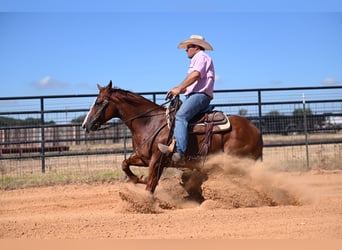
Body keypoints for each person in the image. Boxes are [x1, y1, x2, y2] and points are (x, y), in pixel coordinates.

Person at [158, 34, 215, 162]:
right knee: (175, 115)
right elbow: (192, 82)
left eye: (188, 47)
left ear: (196, 47)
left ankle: (179, 152)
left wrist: (179, 88)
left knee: (180, 116)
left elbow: (195, 75)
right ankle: (176, 146)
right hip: (194, 94)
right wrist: (178, 89)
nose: (186, 49)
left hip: (200, 95)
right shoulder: (197, 59)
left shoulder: (201, 57)